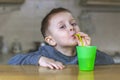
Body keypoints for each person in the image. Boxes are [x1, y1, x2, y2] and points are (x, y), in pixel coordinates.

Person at [8, 7, 114, 69]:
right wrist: (40, 59)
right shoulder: (46, 53)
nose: (71, 28)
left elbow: (110, 62)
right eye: (62, 27)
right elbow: (12, 61)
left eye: (73, 23)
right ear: (51, 40)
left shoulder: (84, 51)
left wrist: (86, 51)